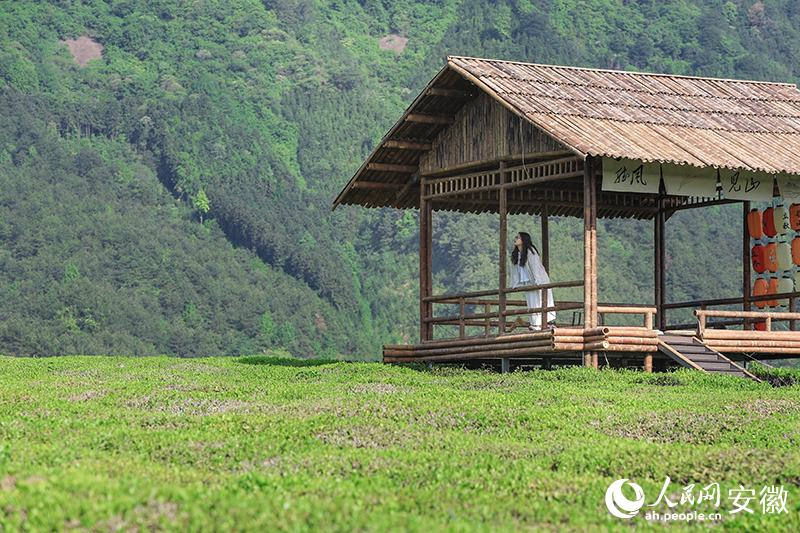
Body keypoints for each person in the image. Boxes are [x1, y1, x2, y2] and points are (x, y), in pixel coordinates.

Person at [510, 232, 555, 331]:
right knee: (532, 303)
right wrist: (515, 284)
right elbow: (514, 270)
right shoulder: (516, 254)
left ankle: (543, 324)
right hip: (528, 282)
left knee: (540, 302)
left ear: (523, 240)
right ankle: (535, 324)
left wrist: (538, 281)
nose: (515, 239)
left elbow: (535, 267)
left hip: (538, 281)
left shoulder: (530, 252)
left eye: (518, 237)